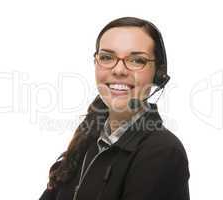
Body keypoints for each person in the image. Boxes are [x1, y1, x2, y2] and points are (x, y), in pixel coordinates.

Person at [39, 16, 190, 200]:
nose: (119, 70)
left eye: (136, 60)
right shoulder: (88, 138)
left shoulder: (163, 152)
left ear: (158, 73)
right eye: (107, 57)